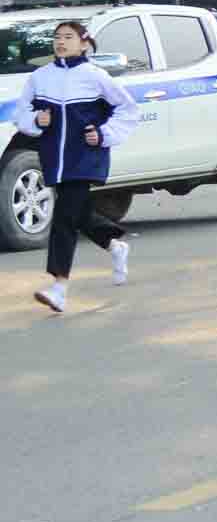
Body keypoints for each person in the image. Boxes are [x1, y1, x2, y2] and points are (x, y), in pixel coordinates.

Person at [13, 21, 138, 310]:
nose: (61, 42)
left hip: (85, 157)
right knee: (78, 213)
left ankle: (59, 286)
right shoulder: (39, 78)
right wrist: (35, 121)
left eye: (68, 37)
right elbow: (21, 113)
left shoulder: (96, 76)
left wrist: (104, 135)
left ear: (84, 43)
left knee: (64, 218)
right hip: (54, 159)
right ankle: (115, 245)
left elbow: (128, 110)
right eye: (57, 37)